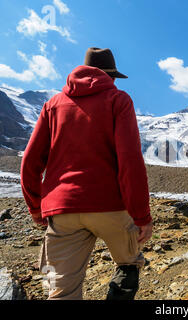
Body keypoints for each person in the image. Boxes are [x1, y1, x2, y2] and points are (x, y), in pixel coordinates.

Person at [20, 47, 153, 300]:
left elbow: (30, 161)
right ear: (110, 75)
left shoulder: (53, 105)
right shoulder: (118, 100)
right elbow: (130, 162)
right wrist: (141, 216)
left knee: (61, 291)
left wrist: (36, 208)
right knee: (129, 262)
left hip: (63, 211)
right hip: (109, 206)